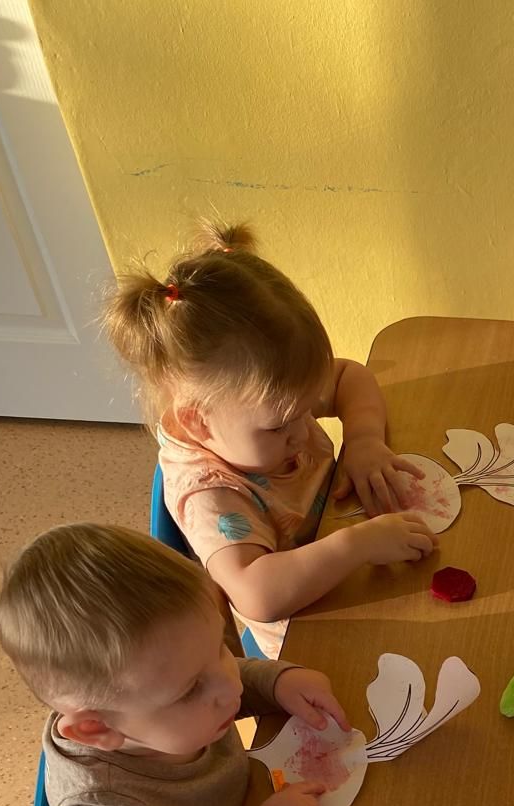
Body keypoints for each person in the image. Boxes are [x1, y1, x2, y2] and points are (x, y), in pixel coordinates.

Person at [0, 523, 344, 806]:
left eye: (218, 648)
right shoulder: (100, 805)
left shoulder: (157, 700)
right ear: (97, 729)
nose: (229, 687)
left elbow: (218, 674)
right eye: (191, 688)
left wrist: (276, 682)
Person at [103, 220, 435, 658]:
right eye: (279, 426)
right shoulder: (209, 494)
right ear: (199, 423)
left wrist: (364, 439)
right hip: (309, 640)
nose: (302, 431)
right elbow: (256, 594)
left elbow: (349, 376)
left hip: (355, 557)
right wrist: (357, 545)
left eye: (307, 408)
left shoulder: (262, 405)